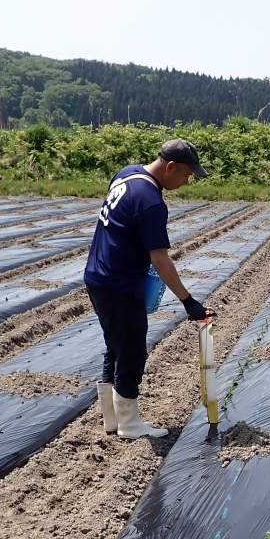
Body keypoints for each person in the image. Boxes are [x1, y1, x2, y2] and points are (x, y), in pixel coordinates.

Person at [83, 138, 212, 439]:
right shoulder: (151, 201)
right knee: (131, 351)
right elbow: (161, 258)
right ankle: (129, 423)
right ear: (170, 167)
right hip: (119, 282)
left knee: (116, 346)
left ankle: (112, 419)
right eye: (186, 175)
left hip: (98, 276)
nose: (185, 181)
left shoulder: (126, 174)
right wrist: (189, 302)